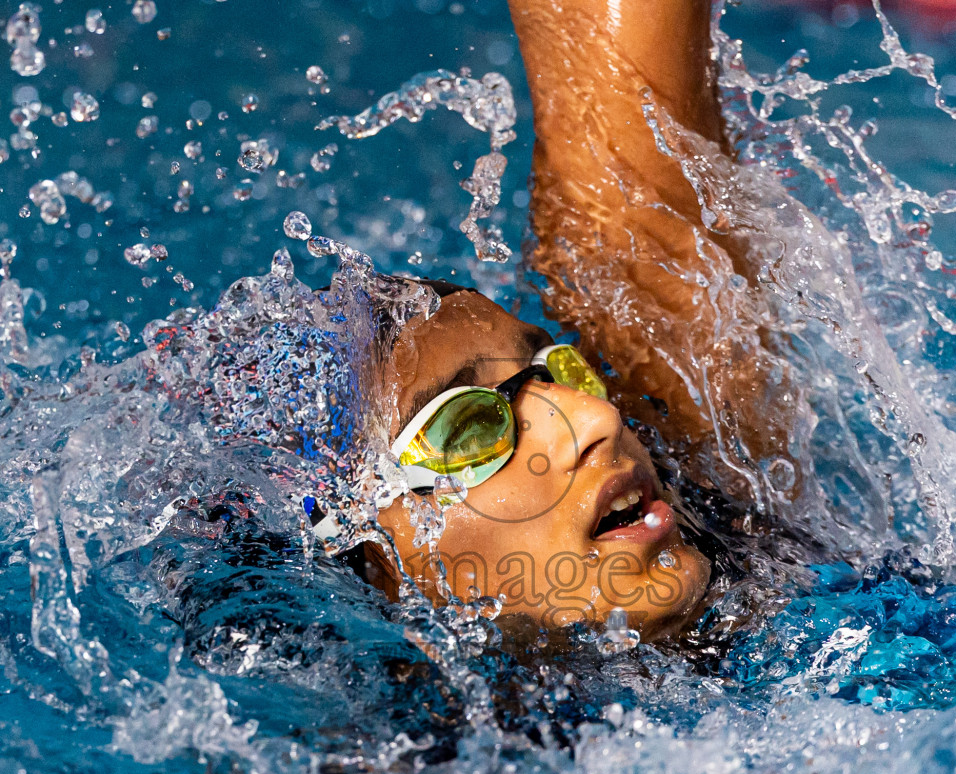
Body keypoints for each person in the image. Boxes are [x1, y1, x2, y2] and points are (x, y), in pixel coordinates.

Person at [337, 0, 804, 642]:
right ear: (385, 562)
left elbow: (627, 152)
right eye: (472, 426)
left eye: (562, 372)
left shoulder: (740, 519)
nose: (598, 420)